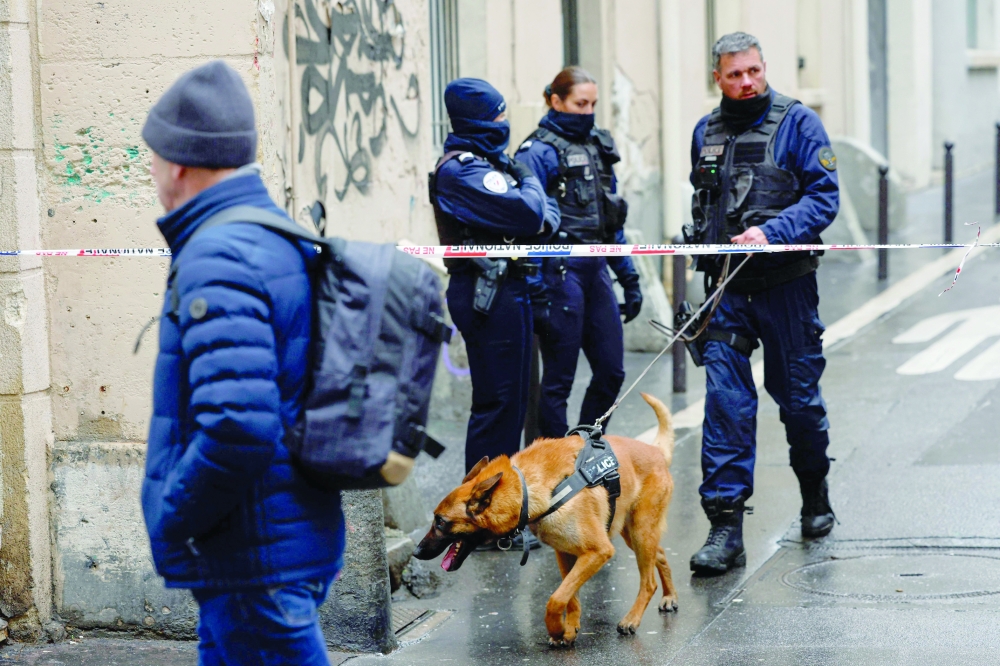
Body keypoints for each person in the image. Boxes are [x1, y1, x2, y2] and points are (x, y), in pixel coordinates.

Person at [140, 61, 344, 665]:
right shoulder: (269, 232)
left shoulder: (218, 254)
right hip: (278, 542)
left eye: (152, 158)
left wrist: (170, 515)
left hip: (255, 556)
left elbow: (239, 423)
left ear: (179, 160)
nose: (151, 173)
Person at [686, 33, 839, 576]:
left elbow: (824, 197)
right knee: (726, 405)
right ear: (718, 78)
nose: (746, 82)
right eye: (734, 75)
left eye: (753, 71)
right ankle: (725, 530)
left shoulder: (798, 124)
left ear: (764, 68)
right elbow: (704, 202)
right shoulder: (705, 132)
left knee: (797, 401)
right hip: (727, 293)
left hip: (787, 287)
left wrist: (773, 231)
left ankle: (814, 490)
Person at [429, 78, 554, 481]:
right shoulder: (462, 171)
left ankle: (501, 503)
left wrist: (531, 204)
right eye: (498, 114)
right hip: (486, 292)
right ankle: (482, 512)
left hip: (510, 288)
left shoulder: (489, 163)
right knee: (497, 406)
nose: (504, 122)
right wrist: (529, 182)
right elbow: (531, 215)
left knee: (515, 405)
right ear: (477, 119)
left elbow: (544, 218)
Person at [516, 66, 642, 439]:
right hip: (559, 273)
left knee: (611, 370)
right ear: (556, 101)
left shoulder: (596, 146)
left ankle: (585, 447)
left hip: (596, 269)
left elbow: (610, 219)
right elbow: (527, 226)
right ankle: (553, 462)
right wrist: (535, 285)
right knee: (558, 379)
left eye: (593, 104)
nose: (588, 112)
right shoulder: (536, 152)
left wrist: (628, 276)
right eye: (579, 103)